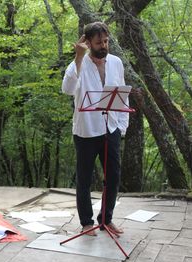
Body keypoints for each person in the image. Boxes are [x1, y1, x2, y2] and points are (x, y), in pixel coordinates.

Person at [61, 22, 128, 236]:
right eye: (99, 42)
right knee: (85, 178)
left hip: (111, 127)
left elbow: (122, 95)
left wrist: (121, 126)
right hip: (86, 131)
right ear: (87, 42)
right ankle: (87, 223)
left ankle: (106, 219)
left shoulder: (116, 62)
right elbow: (67, 89)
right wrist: (78, 58)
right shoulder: (78, 64)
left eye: (106, 41)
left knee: (114, 176)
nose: (104, 45)